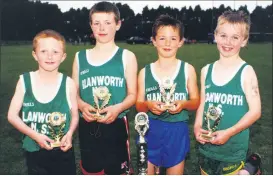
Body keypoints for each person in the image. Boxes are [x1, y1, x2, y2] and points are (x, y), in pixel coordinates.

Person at [71, 1, 137, 175]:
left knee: (118, 171)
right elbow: (73, 93)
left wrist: (118, 108)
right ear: (91, 25)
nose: (102, 28)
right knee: (91, 171)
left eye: (108, 23)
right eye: (97, 23)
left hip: (116, 124)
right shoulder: (80, 57)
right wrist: (82, 105)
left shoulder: (127, 56)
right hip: (88, 124)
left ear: (118, 24)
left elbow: (132, 95)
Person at [194, 10, 262, 175]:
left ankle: (251, 167)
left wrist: (229, 132)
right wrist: (196, 127)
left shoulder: (246, 72)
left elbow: (255, 111)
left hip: (232, 151)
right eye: (223, 35)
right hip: (206, 149)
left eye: (235, 37)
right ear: (215, 36)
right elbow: (203, 103)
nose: (228, 42)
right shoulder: (206, 71)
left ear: (244, 41)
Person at [7, 29, 78, 174]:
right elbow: (12, 116)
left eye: (55, 52)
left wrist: (70, 133)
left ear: (63, 57)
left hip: (63, 152)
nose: (50, 56)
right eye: (44, 51)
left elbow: (75, 115)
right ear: (35, 55)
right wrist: (35, 135)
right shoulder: (24, 81)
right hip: (34, 150)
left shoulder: (68, 83)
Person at [136, 14, 200, 175]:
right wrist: (148, 106)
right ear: (154, 41)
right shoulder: (144, 72)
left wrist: (183, 104)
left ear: (180, 42)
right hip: (150, 130)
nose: (167, 43)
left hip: (177, 130)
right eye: (162, 38)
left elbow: (196, 101)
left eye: (173, 39)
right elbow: (139, 105)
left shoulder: (187, 70)